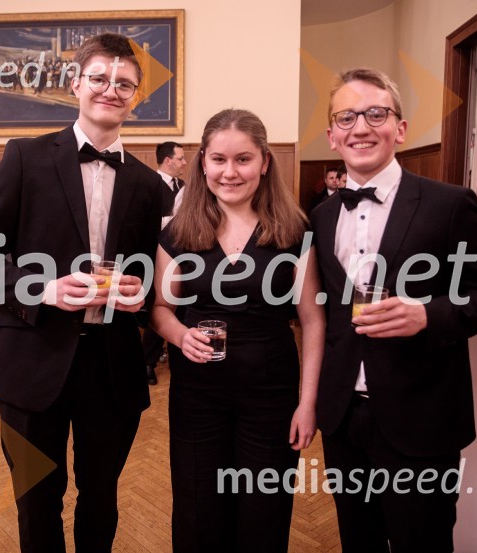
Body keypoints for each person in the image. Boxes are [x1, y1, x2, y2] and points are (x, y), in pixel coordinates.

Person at [0, 34, 163, 553]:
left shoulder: (148, 184)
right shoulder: (24, 158)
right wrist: (44, 288)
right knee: (36, 498)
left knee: (101, 498)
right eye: (99, 78)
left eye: (124, 83)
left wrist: (140, 292)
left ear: (135, 97)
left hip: (112, 368)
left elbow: (148, 273)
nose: (110, 90)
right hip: (30, 361)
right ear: (76, 84)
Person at [310, 67, 477, 552]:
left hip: (421, 415)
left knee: (422, 542)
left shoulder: (450, 204)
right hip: (342, 417)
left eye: (376, 113)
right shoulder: (319, 216)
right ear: (332, 135)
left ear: (399, 129)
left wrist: (429, 315)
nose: (361, 127)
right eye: (347, 117)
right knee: (357, 540)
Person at [151, 109, 325, 552]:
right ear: (203, 163)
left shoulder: (294, 231)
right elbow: (161, 308)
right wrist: (179, 335)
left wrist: (308, 404)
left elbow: (312, 320)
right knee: (197, 512)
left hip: (271, 396)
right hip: (197, 397)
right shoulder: (178, 231)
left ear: (264, 162)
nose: (230, 172)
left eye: (243, 160)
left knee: (262, 513)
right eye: (219, 160)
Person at [143, 141, 188, 385]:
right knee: (159, 306)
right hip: (154, 255)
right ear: (167, 160)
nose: (184, 163)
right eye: (180, 158)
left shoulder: (183, 186)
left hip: (182, 254)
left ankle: (175, 354)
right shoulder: (149, 184)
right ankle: (147, 362)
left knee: (179, 308)